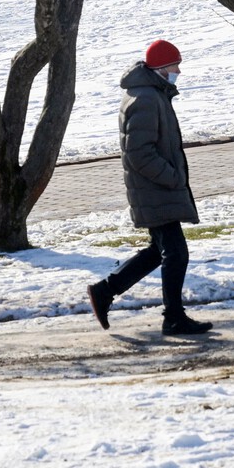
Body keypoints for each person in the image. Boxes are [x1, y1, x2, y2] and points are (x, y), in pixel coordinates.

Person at [86, 38, 212, 336]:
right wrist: (172, 177)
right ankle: (173, 318)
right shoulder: (145, 98)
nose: (178, 70)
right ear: (161, 68)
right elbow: (138, 152)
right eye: (175, 66)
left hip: (155, 189)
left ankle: (105, 291)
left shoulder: (152, 94)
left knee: (160, 251)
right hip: (155, 190)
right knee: (176, 254)